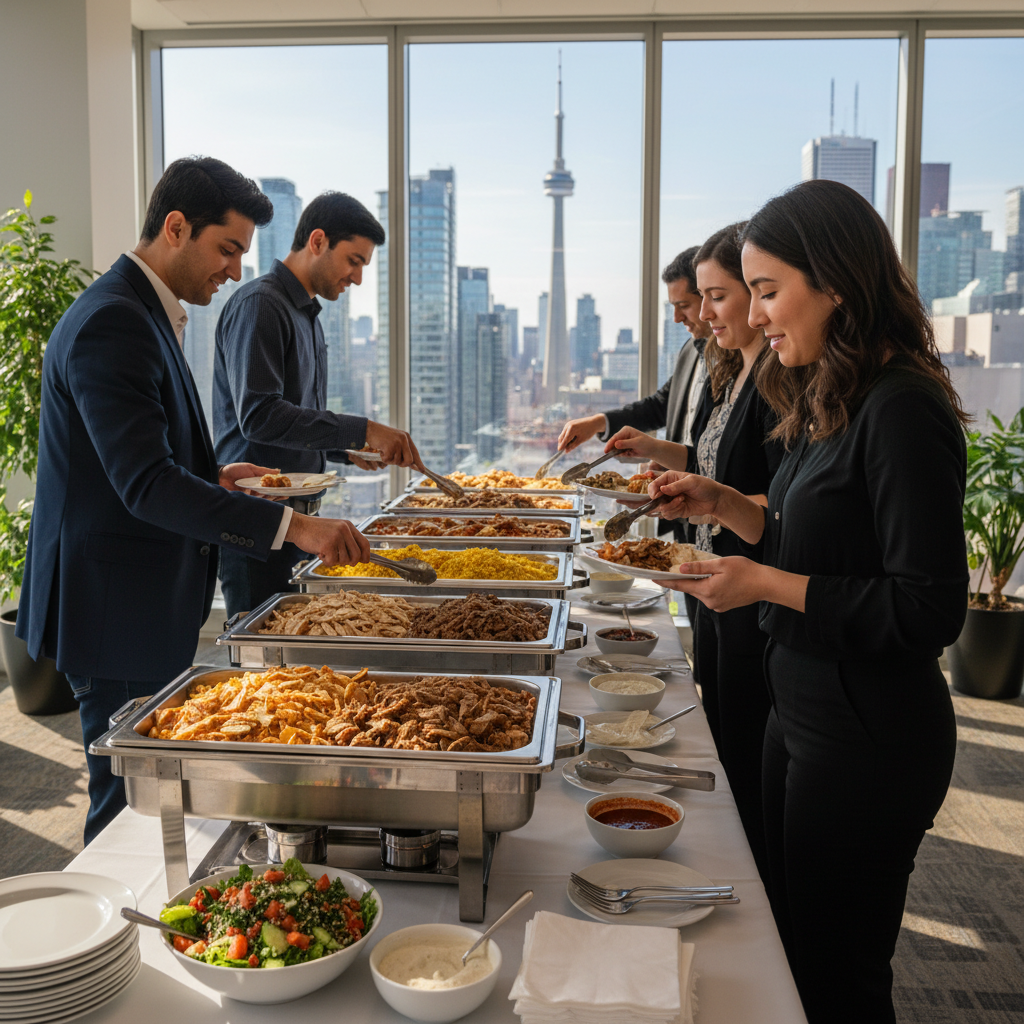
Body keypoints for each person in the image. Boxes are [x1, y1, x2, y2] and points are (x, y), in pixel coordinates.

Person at [647, 179, 968, 1024]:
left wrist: (760, 583)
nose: (753, 317)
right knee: (786, 946)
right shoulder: (834, 390)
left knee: (838, 976)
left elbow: (928, 607)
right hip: (802, 706)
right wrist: (725, 505)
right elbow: (800, 528)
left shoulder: (902, 407)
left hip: (868, 733)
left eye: (764, 291)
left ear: (835, 283)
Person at [16, 157, 372, 845]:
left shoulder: (140, 311)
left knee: (150, 796)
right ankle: (111, 943)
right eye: (228, 248)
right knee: (127, 810)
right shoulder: (112, 322)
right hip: (114, 606)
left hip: (135, 598)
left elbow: (140, 461)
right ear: (176, 227)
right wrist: (294, 524)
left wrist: (212, 476)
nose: (235, 269)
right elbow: (144, 484)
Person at [602, 224, 783, 878]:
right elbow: (721, 470)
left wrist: (718, 500)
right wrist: (684, 479)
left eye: (720, 297)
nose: (702, 316)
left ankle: (737, 871)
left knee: (742, 742)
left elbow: (780, 507)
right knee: (728, 734)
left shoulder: (779, 381)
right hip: (715, 572)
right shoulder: (734, 370)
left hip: (747, 587)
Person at [213, 191, 421, 618]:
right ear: (318, 240)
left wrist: (344, 452)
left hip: (299, 527)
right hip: (256, 528)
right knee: (267, 671)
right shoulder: (261, 305)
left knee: (294, 662)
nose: (357, 278)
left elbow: (292, 421)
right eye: (354, 261)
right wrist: (363, 429)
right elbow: (259, 416)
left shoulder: (305, 314)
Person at [556, 247, 710, 626]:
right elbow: (662, 404)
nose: (677, 318)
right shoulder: (693, 350)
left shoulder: (745, 363)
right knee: (706, 642)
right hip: (685, 515)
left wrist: (666, 452)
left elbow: (718, 452)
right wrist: (599, 422)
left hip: (722, 522)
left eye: (685, 305)